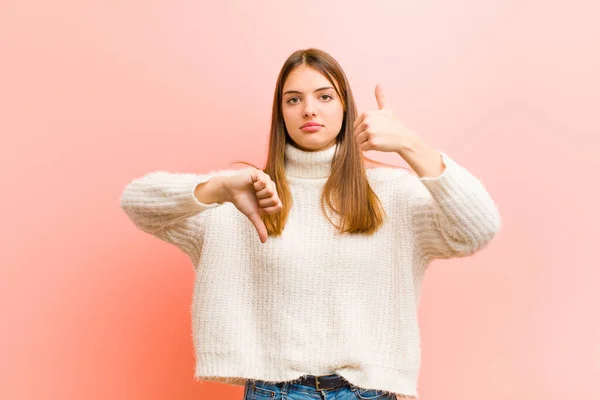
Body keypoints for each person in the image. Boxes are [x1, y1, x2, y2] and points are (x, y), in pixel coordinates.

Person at [120, 48, 502, 399]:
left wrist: (410, 144)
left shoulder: (393, 193)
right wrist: (217, 187)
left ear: (346, 108)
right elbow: (137, 202)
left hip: (368, 392)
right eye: (293, 99)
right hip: (276, 392)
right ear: (281, 113)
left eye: (324, 96)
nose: (309, 110)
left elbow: (478, 228)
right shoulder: (246, 195)